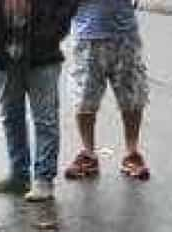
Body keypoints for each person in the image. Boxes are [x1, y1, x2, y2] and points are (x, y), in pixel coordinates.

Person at [0, 0, 72, 201]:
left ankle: (44, 179)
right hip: (2, 53)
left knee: (45, 119)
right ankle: (18, 175)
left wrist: (53, 32)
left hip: (43, 54)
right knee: (11, 116)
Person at [63, 0, 148, 182]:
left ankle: (132, 153)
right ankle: (88, 153)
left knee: (132, 95)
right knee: (84, 96)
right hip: (87, 34)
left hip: (124, 34)